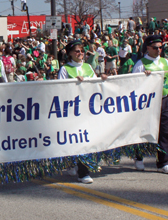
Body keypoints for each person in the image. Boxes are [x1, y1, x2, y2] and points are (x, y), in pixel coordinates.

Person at [58, 40, 108, 184]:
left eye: (82, 51)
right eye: (77, 51)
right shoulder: (65, 69)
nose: (80, 54)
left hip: (87, 109)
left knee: (85, 139)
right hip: (72, 111)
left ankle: (83, 171)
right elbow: (60, 90)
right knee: (75, 140)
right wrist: (74, 83)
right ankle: (74, 165)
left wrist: (102, 79)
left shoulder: (88, 67)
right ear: (69, 54)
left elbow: (95, 86)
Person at [132, 35, 168, 174]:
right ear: (148, 48)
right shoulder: (141, 64)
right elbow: (134, 85)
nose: (159, 50)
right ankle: (139, 157)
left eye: (160, 47)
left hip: (164, 100)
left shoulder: (165, 62)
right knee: (144, 131)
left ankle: (163, 163)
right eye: (155, 47)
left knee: (165, 132)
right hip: (147, 103)